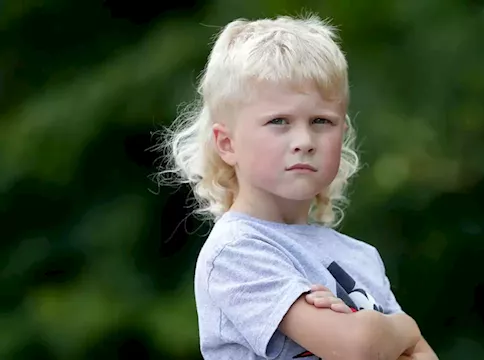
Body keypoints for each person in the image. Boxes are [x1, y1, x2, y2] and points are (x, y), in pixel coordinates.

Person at [158, 13, 438, 360]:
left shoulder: (361, 257)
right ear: (227, 144)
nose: (304, 140)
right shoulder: (236, 251)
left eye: (321, 121)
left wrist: (369, 332)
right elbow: (359, 347)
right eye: (279, 121)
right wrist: (404, 328)